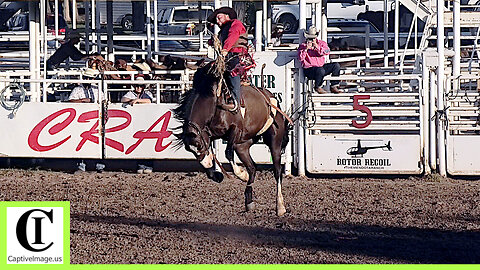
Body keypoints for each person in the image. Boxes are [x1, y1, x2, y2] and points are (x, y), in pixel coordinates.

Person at [207, 6, 249, 111]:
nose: (217, 21)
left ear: (227, 16)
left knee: (232, 72)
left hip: (237, 56)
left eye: (219, 18)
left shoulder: (236, 24)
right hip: (227, 57)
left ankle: (236, 101)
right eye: (216, 19)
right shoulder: (223, 31)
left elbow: (233, 36)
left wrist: (225, 49)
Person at [298, 26, 342, 94]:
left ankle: (334, 86)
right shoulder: (303, 46)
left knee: (336, 66)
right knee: (320, 70)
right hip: (309, 69)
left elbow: (327, 51)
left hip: (320, 67)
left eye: (313, 38)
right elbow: (300, 58)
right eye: (310, 38)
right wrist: (305, 49)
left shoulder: (322, 43)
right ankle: (317, 86)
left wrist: (318, 47)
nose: (311, 40)